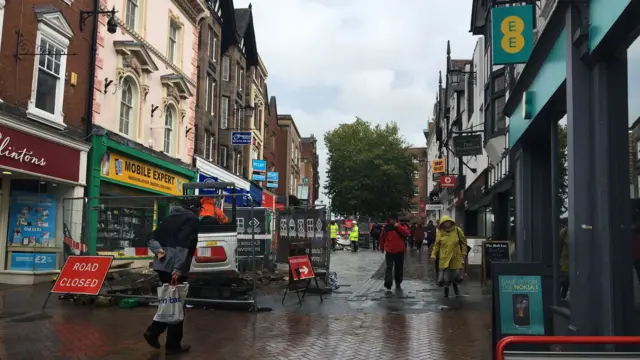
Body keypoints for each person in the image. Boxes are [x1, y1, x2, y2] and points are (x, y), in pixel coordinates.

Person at [145, 197, 201, 354]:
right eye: (199, 210)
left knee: (170, 301)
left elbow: (150, 238)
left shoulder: (169, 218)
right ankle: (169, 342)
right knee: (177, 303)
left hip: (161, 265)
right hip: (174, 266)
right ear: (195, 208)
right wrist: (178, 268)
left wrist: (158, 251)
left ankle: (158, 334)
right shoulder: (191, 220)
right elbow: (184, 245)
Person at [431, 216, 467, 298]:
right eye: (445, 222)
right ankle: (446, 292)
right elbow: (436, 245)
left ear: (451, 222)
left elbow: (463, 242)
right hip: (444, 257)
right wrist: (433, 255)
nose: (447, 223)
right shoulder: (439, 232)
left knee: (455, 274)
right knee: (446, 276)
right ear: (442, 223)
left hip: (455, 257)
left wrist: (464, 253)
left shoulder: (457, 230)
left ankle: (455, 288)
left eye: (448, 221)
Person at [380, 214, 411, 290]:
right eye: (391, 219)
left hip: (399, 251)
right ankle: (388, 283)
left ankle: (398, 281)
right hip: (389, 251)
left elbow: (407, 233)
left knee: (399, 268)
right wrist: (381, 247)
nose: (392, 221)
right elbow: (382, 237)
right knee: (389, 267)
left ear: (396, 220)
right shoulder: (386, 228)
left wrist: (398, 227)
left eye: (393, 219)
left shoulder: (402, 226)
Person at [559, 225, 570, 300]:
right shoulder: (565, 232)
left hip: (574, 263)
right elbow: (558, 246)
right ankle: (562, 297)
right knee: (565, 281)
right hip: (565, 262)